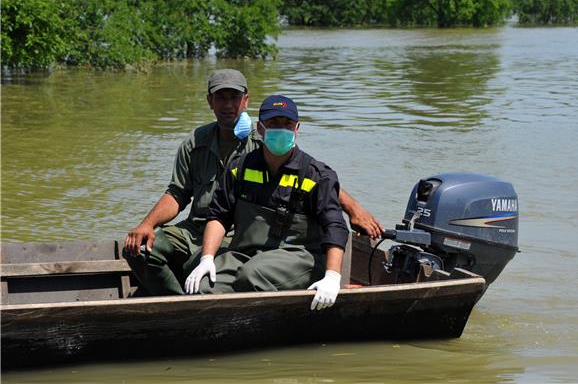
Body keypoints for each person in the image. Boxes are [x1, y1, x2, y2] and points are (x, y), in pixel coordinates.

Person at [123, 69, 383, 297]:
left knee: (246, 272)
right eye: (221, 97)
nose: (228, 105)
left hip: (239, 235)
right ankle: (179, 303)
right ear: (209, 101)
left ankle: (190, 302)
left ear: (246, 101)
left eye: (234, 97)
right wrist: (147, 225)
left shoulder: (266, 145)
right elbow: (179, 193)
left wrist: (353, 209)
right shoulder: (196, 142)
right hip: (200, 229)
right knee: (143, 250)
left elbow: (311, 180)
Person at [185, 95, 347, 310]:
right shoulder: (239, 167)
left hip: (299, 257)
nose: (281, 129)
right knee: (203, 286)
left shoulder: (316, 174)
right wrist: (207, 258)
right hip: (246, 253)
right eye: (273, 123)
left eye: (287, 124)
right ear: (260, 128)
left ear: (297, 128)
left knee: (252, 275)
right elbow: (219, 215)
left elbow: (335, 226)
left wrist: (333, 276)